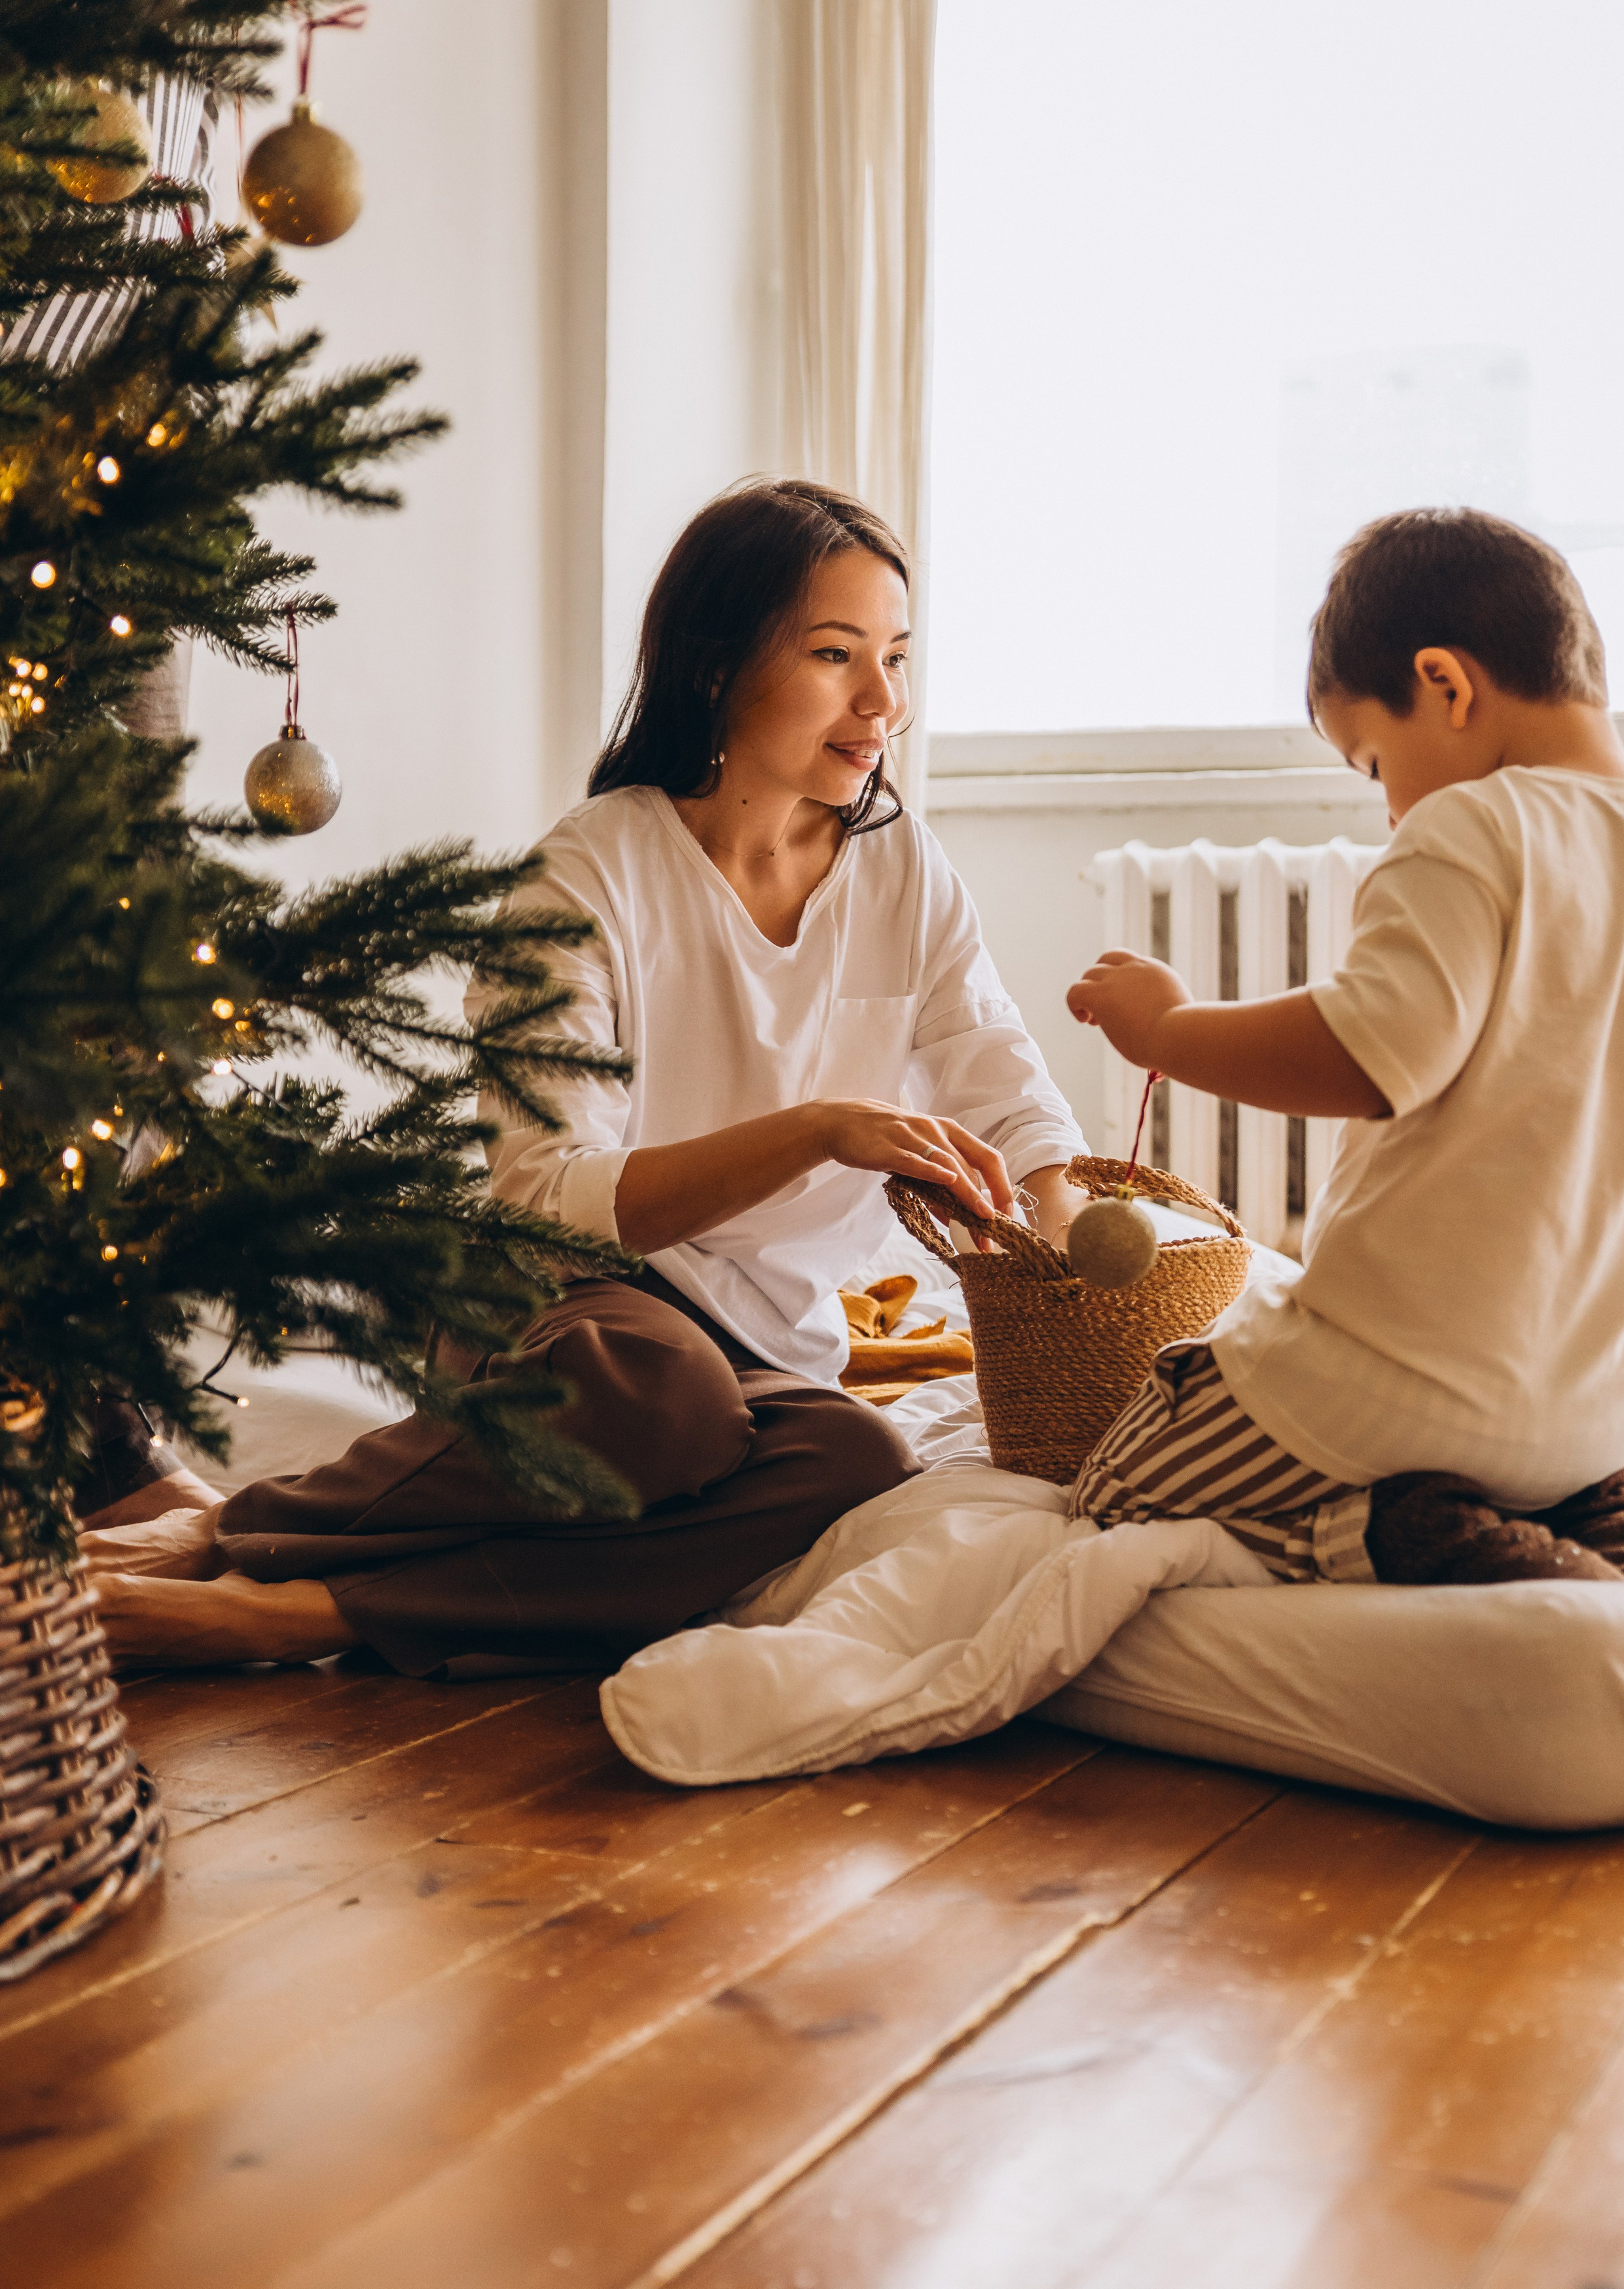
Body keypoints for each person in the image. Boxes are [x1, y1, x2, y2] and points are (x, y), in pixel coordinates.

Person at [87, 479, 1088, 1671]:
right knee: (664, 1395)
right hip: (570, 1314)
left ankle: (286, 1608)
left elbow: (1011, 1090)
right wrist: (817, 1129)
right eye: (837, 656)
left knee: (860, 1461)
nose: (885, 704)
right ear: (717, 665)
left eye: (898, 658)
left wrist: (1074, 1247)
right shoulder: (586, 873)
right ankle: (237, 1536)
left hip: (766, 1367)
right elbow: (547, 1195)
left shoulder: (903, 869)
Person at [1065, 507, 1624, 1585]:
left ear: (1445, 685)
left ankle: (1396, 1531)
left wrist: (1167, 1027)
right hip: (1600, 1410)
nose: (1391, 808)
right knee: (1556, 1454)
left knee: (1113, 1487)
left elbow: (1368, 1053)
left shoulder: (1475, 824)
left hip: (1395, 1393)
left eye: (1373, 760)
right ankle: (1607, 1520)